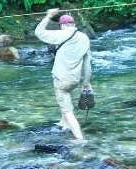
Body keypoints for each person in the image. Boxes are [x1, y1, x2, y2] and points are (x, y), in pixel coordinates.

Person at [34, 8, 92, 141]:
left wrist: (48, 16)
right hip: (74, 79)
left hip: (61, 80)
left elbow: (39, 32)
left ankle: (80, 140)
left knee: (67, 110)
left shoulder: (62, 34)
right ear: (73, 24)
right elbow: (87, 63)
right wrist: (86, 83)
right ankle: (63, 124)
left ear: (63, 25)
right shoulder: (84, 38)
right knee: (66, 96)